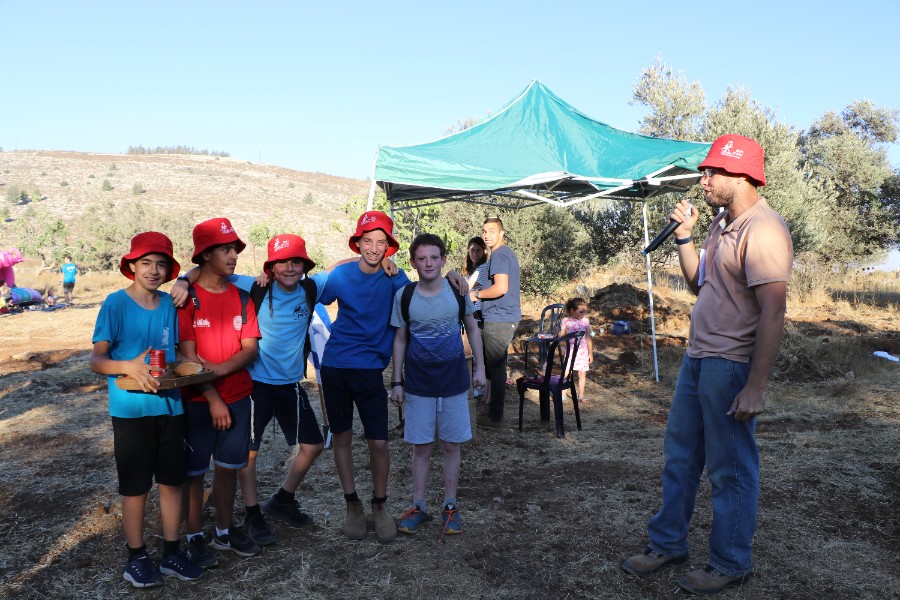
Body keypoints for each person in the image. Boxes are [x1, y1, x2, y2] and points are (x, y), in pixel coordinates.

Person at [621, 134, 793, 595]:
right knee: (679, 459)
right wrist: (684, 236)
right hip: (698, 360)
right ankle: (668, 543)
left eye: (712, 171)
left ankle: (730, 563)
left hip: (731, 365)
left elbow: (773, 312)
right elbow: (699, 282)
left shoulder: (764, 230)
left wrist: (756, 386)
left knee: (729, 470)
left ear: (742, 174)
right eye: (705, 170)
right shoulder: (721, 223)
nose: (705, 178)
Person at [318, 210, 468, 543]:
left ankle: (380, 505)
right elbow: (317, 289)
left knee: (379, 443)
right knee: (341, 438)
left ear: (390, 247)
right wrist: (342, 262)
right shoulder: (343, 275)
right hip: (336, 366)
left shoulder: (397, 280)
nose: (373, 248)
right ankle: (352, 505)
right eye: (366, 241)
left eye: (381, 242)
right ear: (357, 243)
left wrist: (456, 273)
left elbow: (428, 282)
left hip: (371, 370)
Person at [172, 233, 330, 547]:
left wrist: (386, 261)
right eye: (281, 262)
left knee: (313, 445)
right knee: (248, 454)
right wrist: (182, 280)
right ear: (269, 267)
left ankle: (283, 499)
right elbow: (210, 271)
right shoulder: (252, 286)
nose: (289, 268)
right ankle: (252, 511)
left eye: (296, 261)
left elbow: (343, 267)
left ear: (305, 265)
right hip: (256, 386)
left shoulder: (312, 288)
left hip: (291, 384)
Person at [89, 232, 204, 588]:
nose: (154, 270)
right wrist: (129, 366)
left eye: (162, 264)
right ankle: (136, 556)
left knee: (172, 481)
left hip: (170, 408)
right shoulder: (115, 304)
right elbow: (97, 360)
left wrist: (192, 366)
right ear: (132, 266)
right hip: (130, 410)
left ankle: (171, 551)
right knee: (135, 486)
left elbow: (204, 267)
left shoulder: (171, 304)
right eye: (146, 263)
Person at [177, 217, 262, 566]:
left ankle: (224, 531)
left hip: (239, 397)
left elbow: (250, 348)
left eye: (234, 250)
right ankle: (194, 535)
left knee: (228, 467)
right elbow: (186, 354)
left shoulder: (242, 297)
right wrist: (213, 396)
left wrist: (222, 371)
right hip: (197, 401)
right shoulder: (187, 299)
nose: (233, 256)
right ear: (205, 255)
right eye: (225, 250)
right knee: (194, 473)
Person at [389, 233, 486, 538]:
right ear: (413, 262)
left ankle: (450, 505)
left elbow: (472, 326)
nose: (428, 263)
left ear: (444, 260)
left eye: (434, 258)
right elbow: (401, 338)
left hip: (454, 382)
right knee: (421, 446)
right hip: (418, 385)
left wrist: (480, 368)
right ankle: (418, 505)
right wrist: (397, 381)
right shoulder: (404, 296)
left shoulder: (457, 291)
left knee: (450, 445)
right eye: (421, 258)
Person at [470, 217, 521, 428]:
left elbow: (500, 288)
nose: (487, 234)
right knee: (496, 367)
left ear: (502, 233)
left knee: (497, 368)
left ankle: (495, 417)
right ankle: (492, 411)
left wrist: (476, 295)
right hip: (503, 318)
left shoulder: (500, 255)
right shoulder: (503, 254)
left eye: (492, 230)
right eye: (484, 231)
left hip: (499, 318)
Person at [463, 236, 490, 416]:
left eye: (478, 250)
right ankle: (478, 389)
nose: (474, 253)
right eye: (472, 250)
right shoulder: (472, 269)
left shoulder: (482, 268)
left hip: (477, 316)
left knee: (476, 354)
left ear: (484, 252)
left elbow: (465, 288)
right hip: (471, 314)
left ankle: (480, 391)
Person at [558, 297, 593, 402]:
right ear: (573, 310)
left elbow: (588, 337)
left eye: (585, 312)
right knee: (566, 372)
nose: (583, 314)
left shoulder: (585, 321)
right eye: (581, 311)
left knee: (582, 373)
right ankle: (562, 393)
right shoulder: (566, 321)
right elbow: (562, 334)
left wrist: (590, 353)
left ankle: (581, 395)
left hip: (582, 352)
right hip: (571, 351)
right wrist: (556, 337)